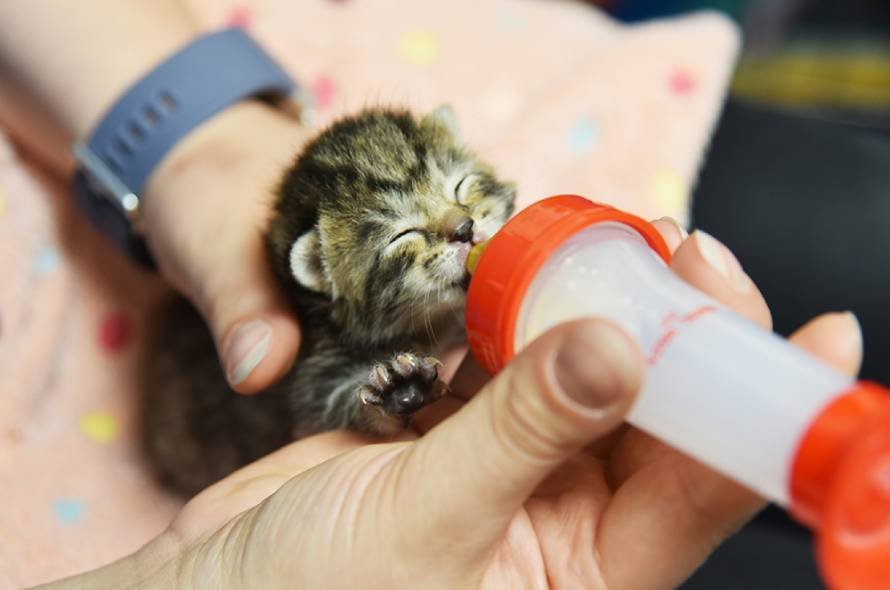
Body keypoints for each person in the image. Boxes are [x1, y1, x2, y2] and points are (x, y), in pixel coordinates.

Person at [1, 2, 861, 588]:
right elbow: (331, 399)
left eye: (465, 195)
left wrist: (193, 148)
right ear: (328, 282)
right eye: (412, 240)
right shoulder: (332, 330)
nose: (461, 233)